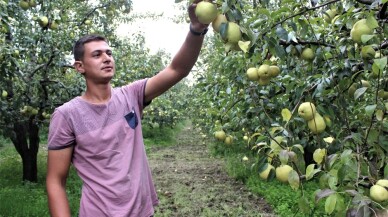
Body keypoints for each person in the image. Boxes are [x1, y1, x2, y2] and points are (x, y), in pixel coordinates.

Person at [45, 1, 209, 216]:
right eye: (97, 55)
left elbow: (178, 69)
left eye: (109, 53)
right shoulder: (67, 115)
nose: (106, 58)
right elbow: (55, 180)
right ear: (80, 66)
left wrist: (197, 30)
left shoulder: (131, 96)